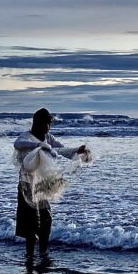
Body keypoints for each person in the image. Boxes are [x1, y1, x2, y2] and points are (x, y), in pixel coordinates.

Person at [13, 108, 87, 258]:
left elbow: (61, 149)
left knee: (46, 220)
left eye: (50, 123)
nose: (49, 126)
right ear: (38, 123)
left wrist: (77, 151)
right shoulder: (27, 137)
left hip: (42, 185)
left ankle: (43, 252)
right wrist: (39, 146)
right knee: (31, 225)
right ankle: (29, 258)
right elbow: (18, 143)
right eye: (47, 123)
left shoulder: (48, 137)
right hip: (27, 186)